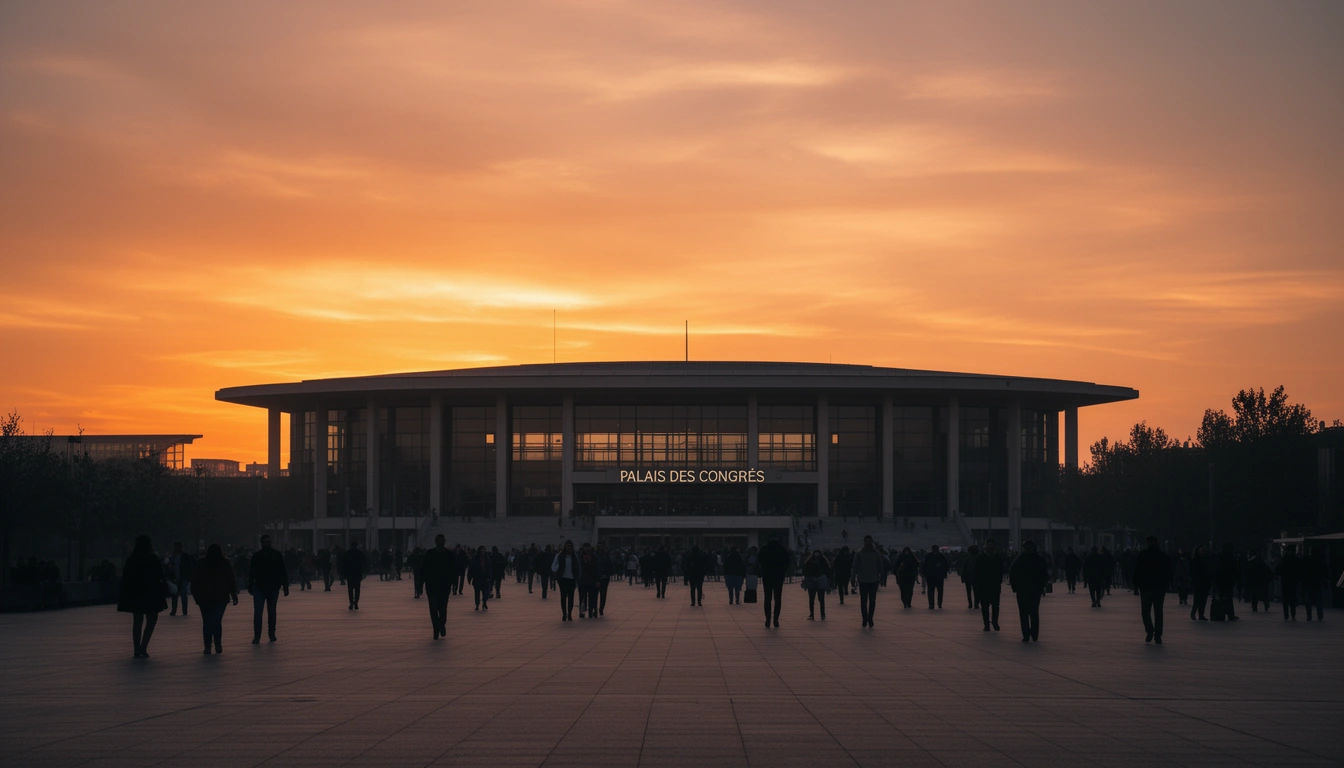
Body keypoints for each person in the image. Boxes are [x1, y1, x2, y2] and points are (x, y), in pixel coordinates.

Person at [118, 535, 167, 658]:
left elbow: (126, 578)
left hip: (136, 594)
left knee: (137, 621)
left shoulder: (132, 559)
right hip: (151, 593)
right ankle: (144, 646)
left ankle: (136, 648)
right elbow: (159, 574)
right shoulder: (152, 558)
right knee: (151, 620)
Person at [192, 543, 238, 654]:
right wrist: (234, 595)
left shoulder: (202, 563)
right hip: (220, 596)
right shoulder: (225, 563)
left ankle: (207, 646)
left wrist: (196, 596)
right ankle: (217, 644)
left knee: (207, 622)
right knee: (217, 621)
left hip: (204, 597)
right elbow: (230, 579)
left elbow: (195, 580)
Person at [246, 534, 289, 643]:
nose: (267, 544)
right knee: (259, 613)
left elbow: (282, 571)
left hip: (271, 587)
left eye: (268, 542)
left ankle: (271, 633)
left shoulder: (274, 555)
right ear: (262, 543)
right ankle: (258, 635)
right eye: (265, 542)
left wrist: (285, 585)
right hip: (261, 587)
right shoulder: (259, 556)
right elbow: (252, 572)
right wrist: (250, 584)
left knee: (270, 612)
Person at [1132, 536, 1173, 644]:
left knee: (1145, 611)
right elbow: (1168, 571)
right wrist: (1168, 584)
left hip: (1146, 586)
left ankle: (1149, 630)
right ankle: (1158, 635)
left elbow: (1137, 570)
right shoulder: (1162, 555)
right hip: (1159, 587)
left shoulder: (1143, 555)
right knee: (1158, 611)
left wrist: (1135, 586)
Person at [1008, 540, 1049, 642]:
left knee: (1029, 613)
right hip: (1028, 589)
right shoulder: (1035, 560)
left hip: (1028, 589)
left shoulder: (1021, 560)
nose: (1027, 549)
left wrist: (1015, 587)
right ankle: (1029, 634)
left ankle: (1030, 634)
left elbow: (1012, 573)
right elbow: (1012, 574)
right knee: (1029, 613)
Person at [422, 534, 454, 638]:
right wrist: (420, 584)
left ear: (444, 542)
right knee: (433, 608)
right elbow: (424, 569)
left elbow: (453, 570)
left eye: (442, 541)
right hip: (432, 587)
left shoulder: (449, 554)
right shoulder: (429, 554)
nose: (440, 543)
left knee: (443, 609)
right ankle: (435, 629)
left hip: (444, 587)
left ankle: (441, 624)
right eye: (439, 541)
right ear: (435, 542)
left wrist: (454, 583)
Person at [757, 535, 790, 629]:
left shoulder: (765, 548)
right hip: (778, 576)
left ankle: (768, 619)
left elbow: (760, 560)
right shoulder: (782, 549)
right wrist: (782, 570)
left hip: (767, 575)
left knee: (767, 598)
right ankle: (776, 619)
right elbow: (787, 562)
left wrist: (765, 568)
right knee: (778, 598)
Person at [853, 535, 884, 628]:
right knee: (863, 601)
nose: (868, 543)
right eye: (867, 541)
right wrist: (852, 577)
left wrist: (882, 576)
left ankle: (870, 618)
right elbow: (855, 566)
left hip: (873, 580)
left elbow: (880, 565)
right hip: (863, 580)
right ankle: (864, 618)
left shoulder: (876, 553)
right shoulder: (859, 553)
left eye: (870, 541)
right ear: (864, 542)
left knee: (872, 601)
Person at [975, 541, 1004, 632]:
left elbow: (1001, 570)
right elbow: (977, 572)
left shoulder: (997, 558)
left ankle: (995, 622)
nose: (990, 550)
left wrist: (999, 581)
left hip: (995, 585)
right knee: (985, 606)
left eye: (991, 548)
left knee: (995, 606)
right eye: (988, 548)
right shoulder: (981, 558)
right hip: (984, 586)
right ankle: (986, 623)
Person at [553, 540, 581, 621]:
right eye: (567, 545)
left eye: (570, 546)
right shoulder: (560, 555)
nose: (569, 547)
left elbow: (577, 567)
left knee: (571, 597)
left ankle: (570, 613)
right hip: (563, 578)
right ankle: (564, 613)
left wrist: (577, 577)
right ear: (565, 546)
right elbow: (554, 565)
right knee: (563, 596)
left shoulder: (574, 556)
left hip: (572, 579)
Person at [167, 541, 195, 617]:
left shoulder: (184, 556)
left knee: (182, 594)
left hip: (183, 576)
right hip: (176, 577)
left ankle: (183, 610)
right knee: (175, 594)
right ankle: (175, 610)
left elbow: (189, 566)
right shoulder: (173, 556)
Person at [1275, 544, 1302, 621]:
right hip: (1293, 581)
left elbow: (1278, 569)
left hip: (1285, 581)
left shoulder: (1284, 559)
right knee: (1292, 599)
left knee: (1285, 600)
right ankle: (1293, 615)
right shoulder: (1296, 559)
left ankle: (1286, 615)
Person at [802, 549, 831, 620]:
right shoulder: (823, 561)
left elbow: (805, 571)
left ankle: (814, 614)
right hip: (818, 580)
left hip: (815, 580)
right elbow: (828, 570)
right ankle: (821, 614)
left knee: (814, 599)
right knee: (819, 598)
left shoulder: (810, 561)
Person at [1216, 543, 1241, 622]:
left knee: (1221, 597)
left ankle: (1220, 613)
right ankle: (1230, 614)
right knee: (1228, 598)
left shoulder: (1219, 557)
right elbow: (1235, 570)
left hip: (1220, 579)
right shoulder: (1231, 557)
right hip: (1229, 580)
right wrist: (1238, 580)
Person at [577, 546, 604, 618]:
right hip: (582, 581)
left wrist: (598, 579)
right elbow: (578, 569)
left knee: (593, 597)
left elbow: (598, 569)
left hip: (593, 580)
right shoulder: (580, 559)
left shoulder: (595, 559)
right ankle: (582, 611)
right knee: (582, 598)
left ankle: (592, 611)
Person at [1302, 545, 1327, 622]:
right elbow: (1324, 571)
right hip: (1317, 583)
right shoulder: (1320, 560)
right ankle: (1320, 615)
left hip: (1308, 582)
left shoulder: (1307, 560)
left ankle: (1309, 616)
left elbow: (1304, 571)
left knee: (1308, 601)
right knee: (1318, 600)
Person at [922, 544, 949, 610]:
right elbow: (946, 566)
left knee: (931, 591)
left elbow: (925, 565)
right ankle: (939, 604)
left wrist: (925, 573)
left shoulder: (929, 556)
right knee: (940, 591)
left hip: (931, 576)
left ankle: (931, 604)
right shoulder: (941, 556)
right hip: (939, 576)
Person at [342, 541, 366, 610]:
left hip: (349, 573)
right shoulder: (360, 553)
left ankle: (351, 602)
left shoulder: (347, 553)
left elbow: (343, 564)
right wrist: (364, 571)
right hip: (358, 573)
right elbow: (364, 562)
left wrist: (343, 573)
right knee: (357, 589)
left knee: (350, 589)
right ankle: (356, 602)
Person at [468, 546, 493, 611]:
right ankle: (477, 604)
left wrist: (490, 577)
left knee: (486, 592)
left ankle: (484, 602)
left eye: (483, 551)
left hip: (485, 578)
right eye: (481, 551)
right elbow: (471, 568)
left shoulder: (487, 559)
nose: (482, 552)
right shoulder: (475, 559)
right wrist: (469, 577)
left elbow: (489, 569)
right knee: (477, 593)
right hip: (477, 578)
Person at [960, 545, 979, 609]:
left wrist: (963, 578)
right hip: (976, 577)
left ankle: (970, 604)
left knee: (968, 591)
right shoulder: (978, 558)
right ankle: (976, 603)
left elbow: (964, 569)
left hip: (968, 577)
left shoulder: (967, 558)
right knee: (976, 591)